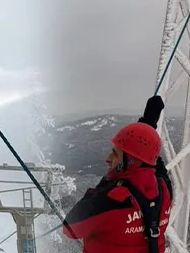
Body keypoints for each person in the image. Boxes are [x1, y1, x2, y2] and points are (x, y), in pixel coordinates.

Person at [62, 96, 173, 253]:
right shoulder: (164, 190)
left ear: (131, 161)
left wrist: (106, 182)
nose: (108, 159)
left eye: (115, 154)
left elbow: (70, 228)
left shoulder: (110, 200)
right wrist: (147, 127)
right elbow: (152, 163)